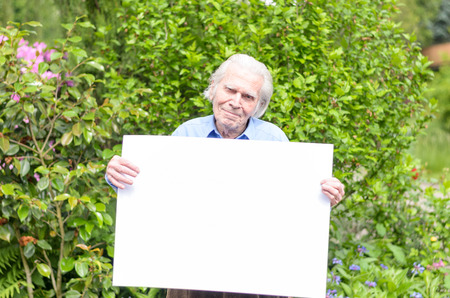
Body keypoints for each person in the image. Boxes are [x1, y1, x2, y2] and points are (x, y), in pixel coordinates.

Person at [106, 54, 345, 298]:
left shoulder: (274, 141)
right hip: (189, 273)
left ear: (258, 106)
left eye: (248, 97)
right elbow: (152, 193)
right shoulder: (187, 133)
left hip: (255, 276)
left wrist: (325, 196)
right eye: (230, 90)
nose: (235, 101)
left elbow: (294, 205)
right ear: (213, 89)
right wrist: (117, 175)